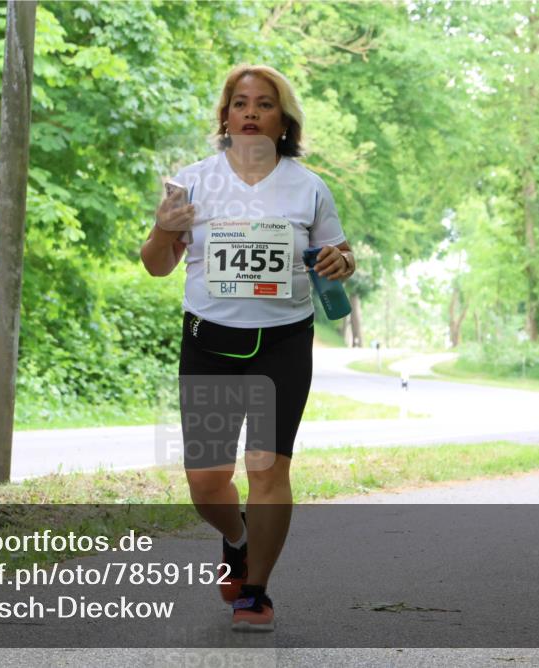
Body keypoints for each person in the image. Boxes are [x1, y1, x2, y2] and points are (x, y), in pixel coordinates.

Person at [140, 64, 355, 631]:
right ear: (226, 116)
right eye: (241, 103)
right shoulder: (191, 181)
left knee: (268, 469)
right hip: (210, 341)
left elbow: (337, 257)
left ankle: (255, 591)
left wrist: (341, 260)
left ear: (284, 121)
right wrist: (164, 229)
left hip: (283, 342)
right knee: (206, 484)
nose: (252, 113)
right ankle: (236, 537)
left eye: (265, 104)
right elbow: (158, 265)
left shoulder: (309, 187)